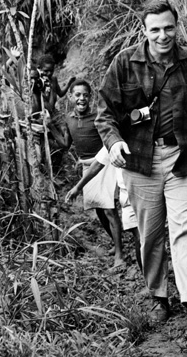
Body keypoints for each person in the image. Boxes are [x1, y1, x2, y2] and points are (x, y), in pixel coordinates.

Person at [95, 0, 187, 340]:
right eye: (155, 29)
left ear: (176, 26)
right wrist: (114, 142)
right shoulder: (125, 63)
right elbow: (105, 113)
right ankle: (158, 296)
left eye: (168, 27)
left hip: (186, 157)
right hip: (140, 160)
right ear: (144, 30)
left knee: (186, 229)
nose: (163, 35)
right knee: (150, 234)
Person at [53, 79, 126, 270]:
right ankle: (117, 241)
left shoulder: (97, 117)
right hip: (87, 167)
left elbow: (107, 139)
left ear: (90, 97)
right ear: (70, 97)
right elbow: (65, 144)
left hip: (103, 164)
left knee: (109, 208)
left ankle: (120, 254)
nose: (81, 98)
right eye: (77, 95)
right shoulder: (68, 119)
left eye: (85, 95)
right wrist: (50, 127)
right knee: (98, 208)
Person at [65, 146, 142, 271]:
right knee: (139, 236)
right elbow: (98, 163)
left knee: (143, 236)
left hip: (144, 191)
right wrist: (78, 187)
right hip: (127, 194)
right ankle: (149, 281)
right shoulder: (113, 139)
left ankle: (153, 281)